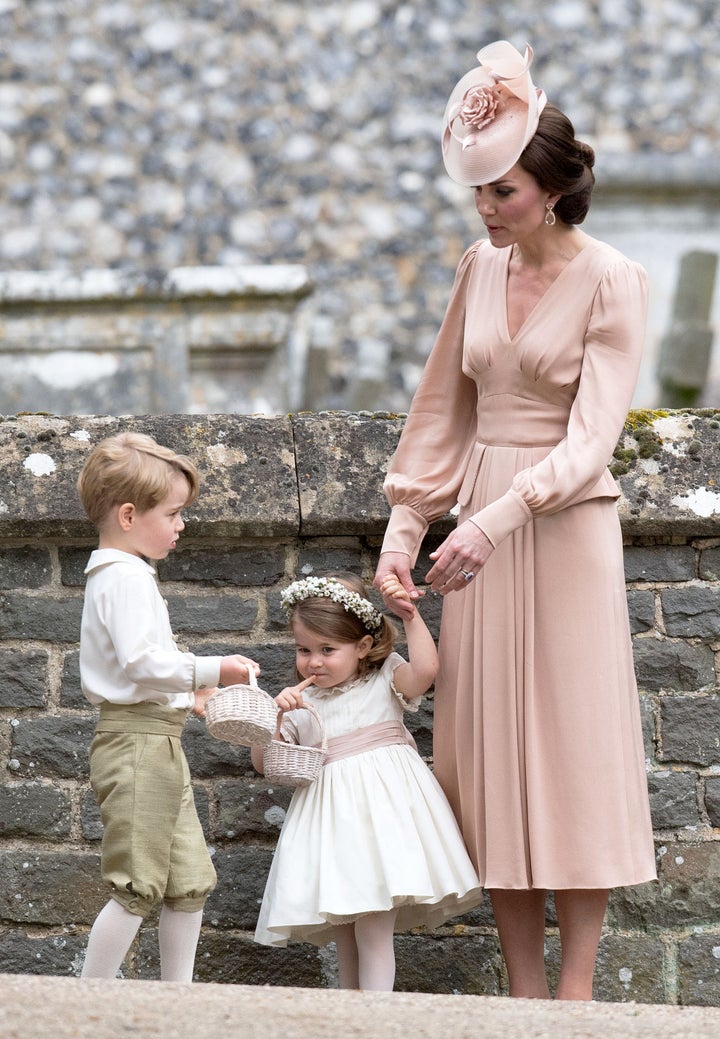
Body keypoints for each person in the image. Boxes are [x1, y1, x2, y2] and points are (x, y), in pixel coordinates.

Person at [373, 40, 656, 1001]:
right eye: (479, 191)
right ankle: (523, 992)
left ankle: (577, 994)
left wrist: (494, 517)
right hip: (475, 533)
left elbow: (590, 444)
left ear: (552, 187)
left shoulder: (614, 278)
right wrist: (404, 533)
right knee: (488, 749)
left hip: (562, 523)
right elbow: (439, 409)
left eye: (503, 191)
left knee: (574, 746)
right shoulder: (476, 267)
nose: (486, 208)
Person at [77, 431, 260, 981]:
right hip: (135, 745)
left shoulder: (127, 573)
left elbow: (147, 664)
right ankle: (85, 1005)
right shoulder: (122, 578)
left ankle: (176, 1004)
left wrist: (193, 695)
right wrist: (212, 669)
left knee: (188, 880)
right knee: (137, 886)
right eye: (175, 513)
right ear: (128, 515)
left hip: (157, 740)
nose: (182, 525)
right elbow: (139, 663)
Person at [252, 572, 483, 991]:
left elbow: (427, 670)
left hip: (384, 821)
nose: (314, 661)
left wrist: (410, 616)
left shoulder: (384, 678)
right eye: (304, 650)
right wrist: (275, 717)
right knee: (345, 933)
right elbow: (264, 762)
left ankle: (375, 1021)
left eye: (328, 649)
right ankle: (351, 1016)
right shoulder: (303, 703)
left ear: (361, 647)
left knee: (373, 932)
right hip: (333, 829)